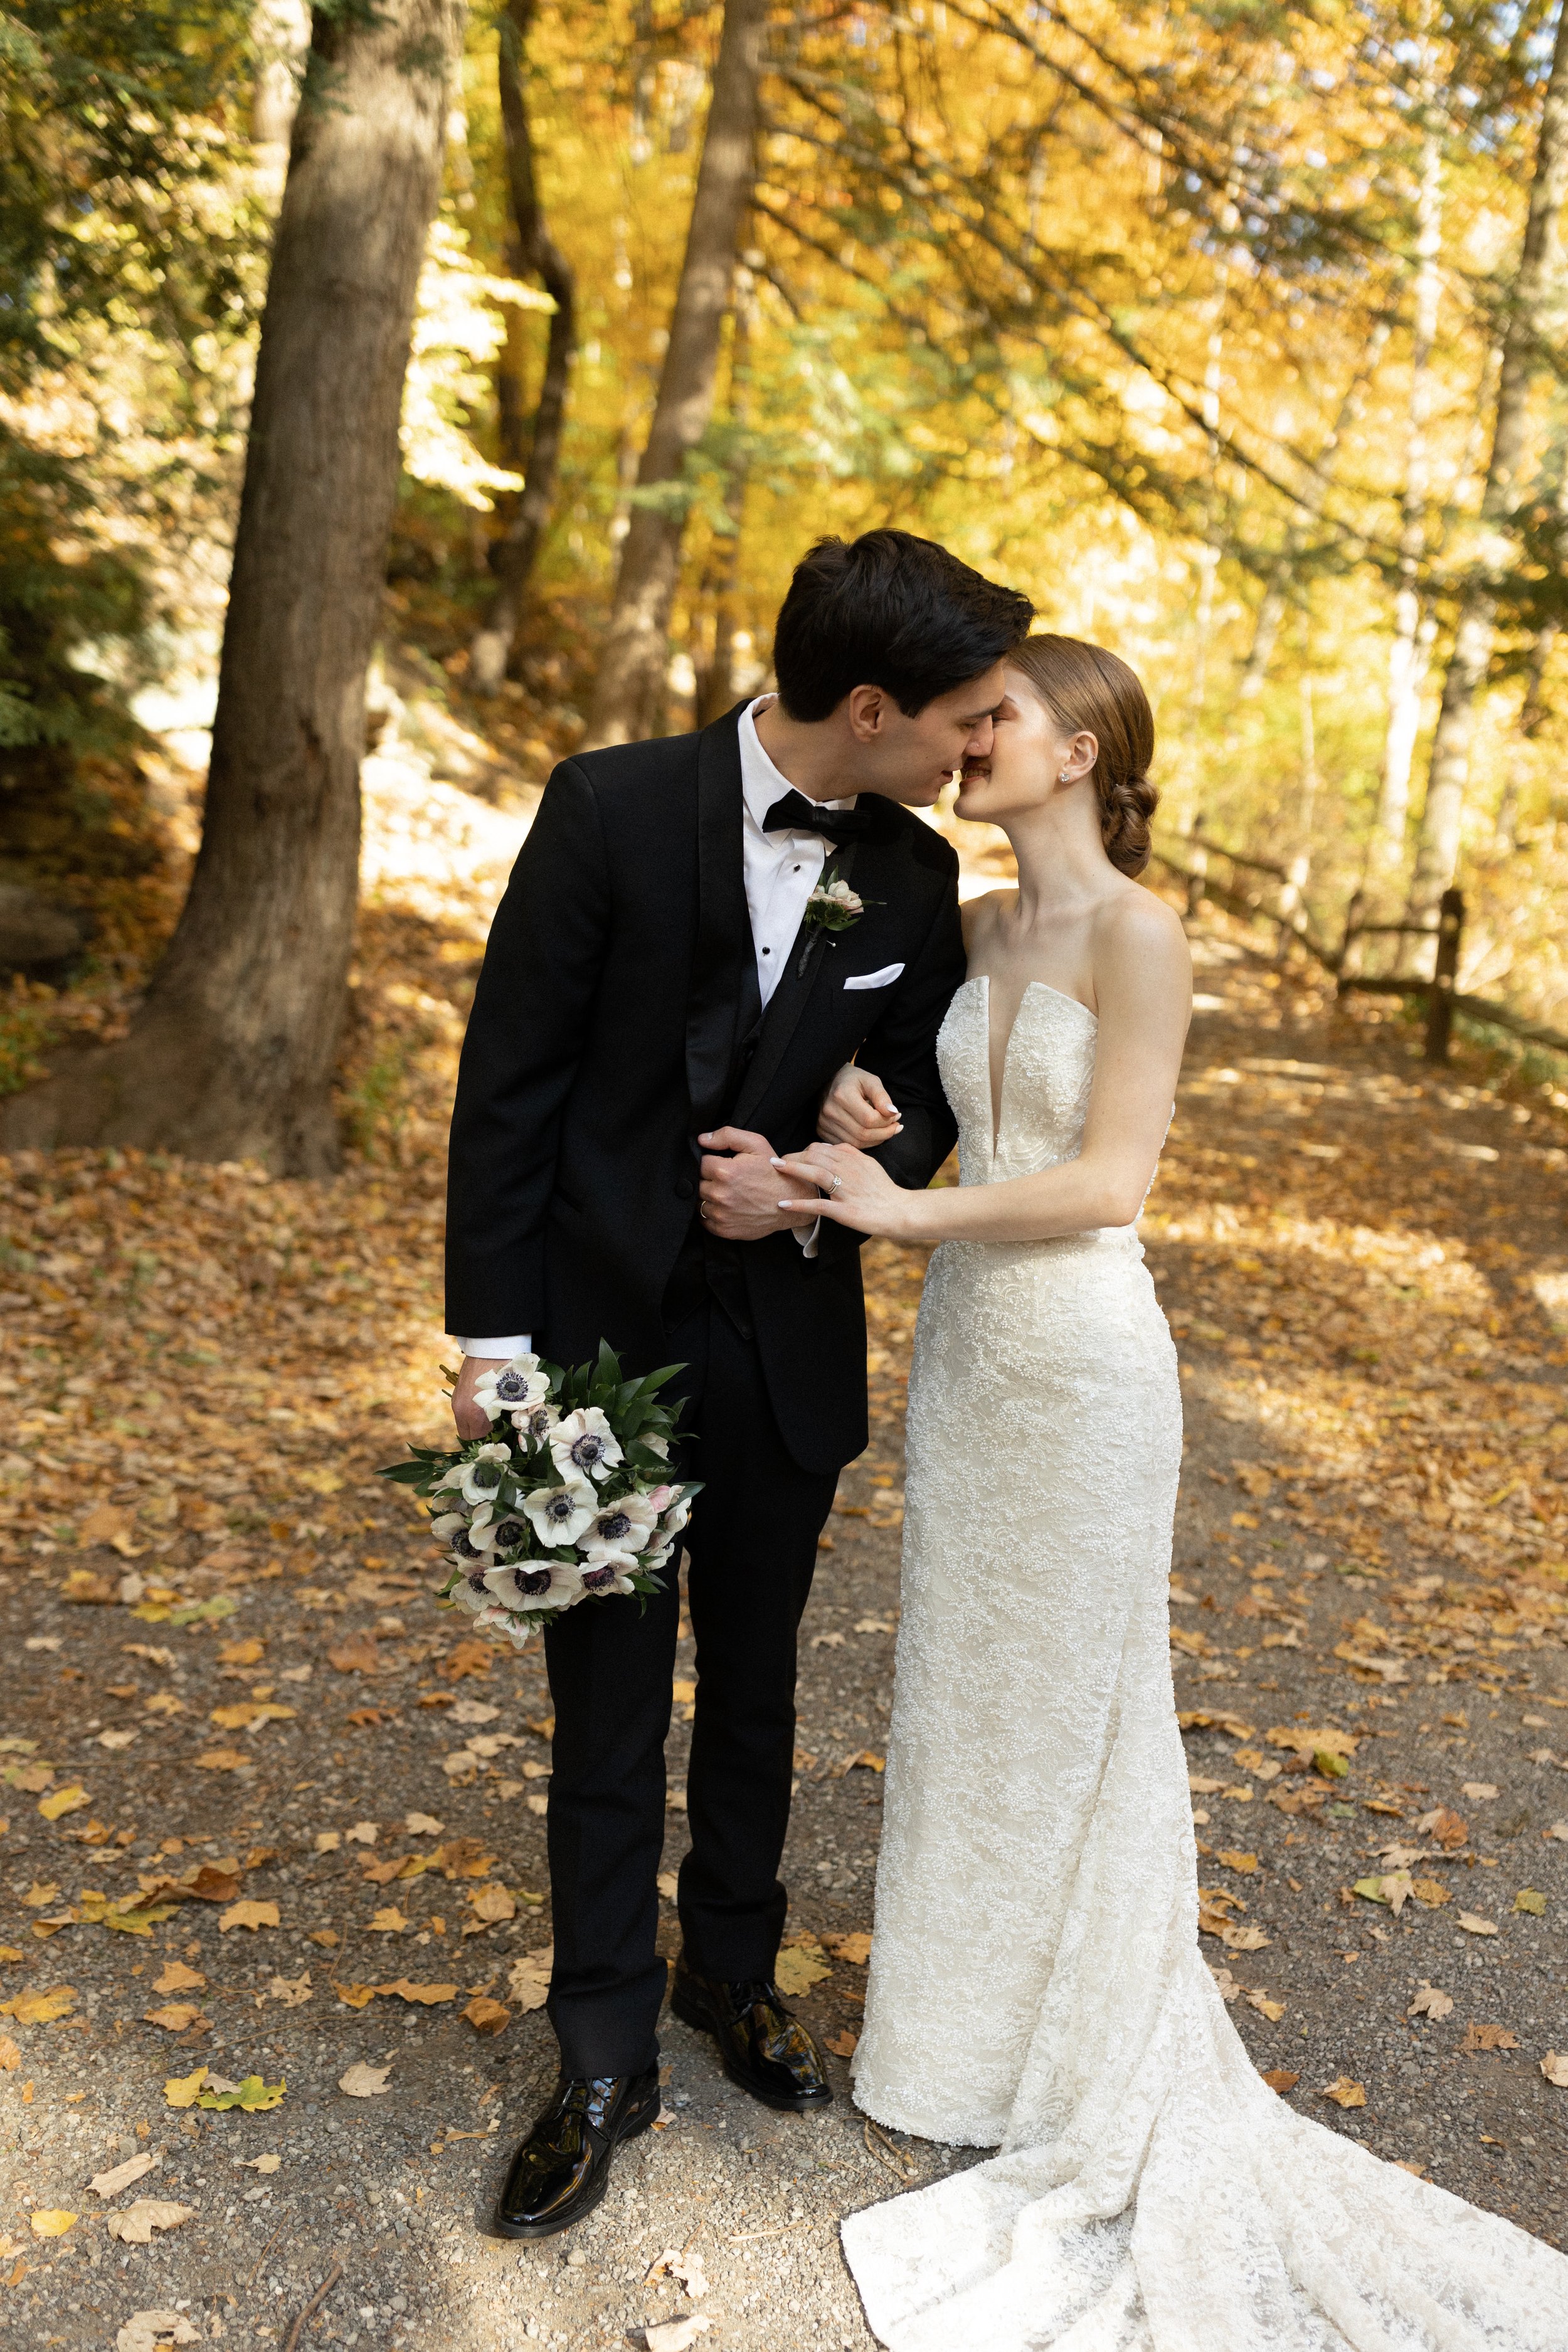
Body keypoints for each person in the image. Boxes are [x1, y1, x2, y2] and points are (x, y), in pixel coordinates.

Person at [778, 633, 1568, 2350]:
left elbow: (1106, 1182)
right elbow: (933, 1120)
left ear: (1080, 753)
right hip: (968, 1371)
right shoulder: (972, 928)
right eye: (966, 719)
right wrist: (873, 1119)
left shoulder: (1142, 938)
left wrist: (896, 1217)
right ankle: (951, 2052)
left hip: (1081, 1370)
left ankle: (1088, 2054)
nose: (965, 741)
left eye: (997, 719)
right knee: (963, 1702)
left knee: (1077, 1710)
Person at [443, 528, 1034, 2237]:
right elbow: (511, 1089)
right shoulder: (605, 805)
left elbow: (924, 1112)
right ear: (870, 704)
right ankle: (603, 2047)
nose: (972, 747)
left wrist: (868, 1132)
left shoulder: (913, 881)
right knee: (607, 1706)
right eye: (960, 717)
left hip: (785, 1349)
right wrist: (491, 1348)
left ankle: (732, 1976)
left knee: (760, 1684)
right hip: (593, 1350)